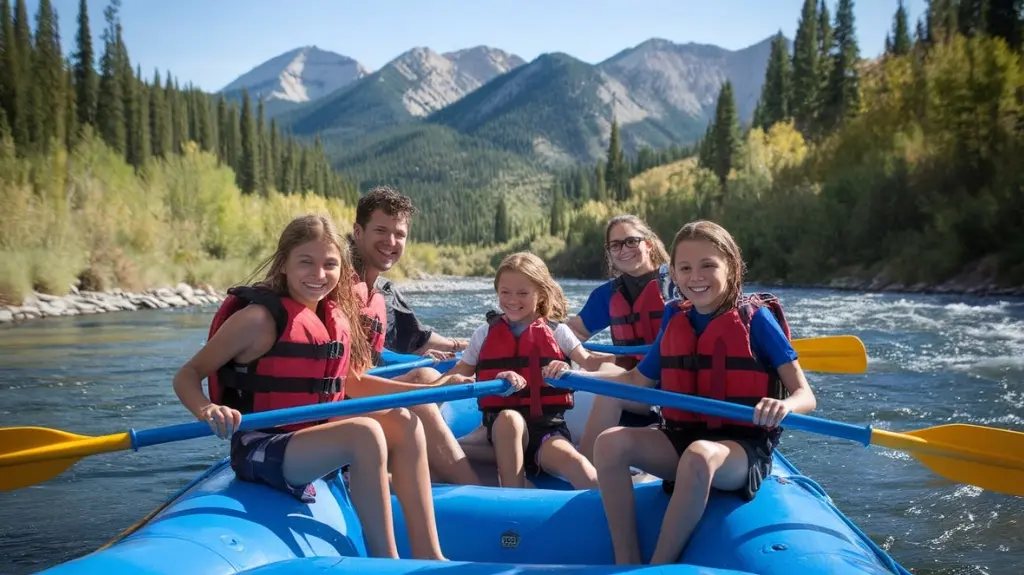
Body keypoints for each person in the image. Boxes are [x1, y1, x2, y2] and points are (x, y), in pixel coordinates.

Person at [171, 214, 447, 560]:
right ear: (284, 263)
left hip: (313, 436)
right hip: (262, 444)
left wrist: (431, 391)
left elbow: (351, 384)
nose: (319, 275)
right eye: (306, 262)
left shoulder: (335, 318)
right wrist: (206, 408)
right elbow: (188, 373)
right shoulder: (258, 320)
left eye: (330, 264)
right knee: (365, 433)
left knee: (405, 421)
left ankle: (430, 555)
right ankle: (386, 562)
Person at [567, 220, 818, 565]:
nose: (695, 277)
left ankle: (660, 566)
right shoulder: (675, 317)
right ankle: (626, 558)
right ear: (673, 272)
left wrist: (784, 405)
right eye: (685, 268)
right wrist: (574, 377)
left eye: (708, 265)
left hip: (740, 450)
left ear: (731, 266)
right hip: (681, 436)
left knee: (700, 454)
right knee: (610, 442)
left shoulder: (755, 319)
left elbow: (805, 395)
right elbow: (640, 381)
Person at [443, 252, 620, 489]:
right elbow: (459, 373)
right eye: (505, 292)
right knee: (442, 452)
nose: (512, 300)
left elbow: (589, 362)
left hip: (545, 433)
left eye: (522, 293)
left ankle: (610, 505)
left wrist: (633, 360)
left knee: (577, 465)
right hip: (495, 435)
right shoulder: (483, 334)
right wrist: (423, 384)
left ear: (541, 294)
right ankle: (514, 494)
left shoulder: (558, 331)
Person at [349, 186, 481, 485]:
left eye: (400, 234)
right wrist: (439, 386)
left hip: (349, 396)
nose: (391, 242)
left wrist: (454, 351)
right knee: (422, 398)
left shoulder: (376, 291)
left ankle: (427, 464)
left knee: (423, 375)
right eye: (381, 230)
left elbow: (378, 352)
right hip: (330, 407)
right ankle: (474, 489)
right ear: (358, 232)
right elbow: (352, 382)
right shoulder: (340, 289)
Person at [565, 214, 679, 461]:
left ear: (648, 243)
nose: (623, 250)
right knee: (602, 366)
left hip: (673, 386)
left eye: (631, 241)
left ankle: (585, 467)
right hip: (637, 383)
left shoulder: (676, 282)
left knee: (606, 378)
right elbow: (571, 332)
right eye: (615, 245)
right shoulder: (607, 294)